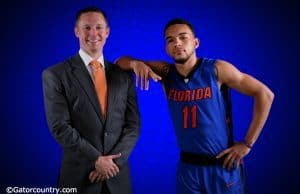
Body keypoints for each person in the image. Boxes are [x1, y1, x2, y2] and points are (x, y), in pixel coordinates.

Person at [116, 18, 274, 194]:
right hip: (188, 168)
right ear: (166, 48)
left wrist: (247, 143)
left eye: (183, 37)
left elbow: (265, 94)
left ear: (196, 42)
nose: (177, 43)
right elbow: (120, 63)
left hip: (221, 166)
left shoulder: (216, 69)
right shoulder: (166, 73)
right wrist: (135, 63)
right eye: (170, 40)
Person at [42, 7, 140, 194]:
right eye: (87, 28)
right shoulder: (55, 74)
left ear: (107, 32)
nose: (93, 33)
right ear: (76, 31)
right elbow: (60, 126)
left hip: (117, 179)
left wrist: (111, 164)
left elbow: (133, 125)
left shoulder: (123, 76)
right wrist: (96, 159)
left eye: (98, 27)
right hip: (79, 178)